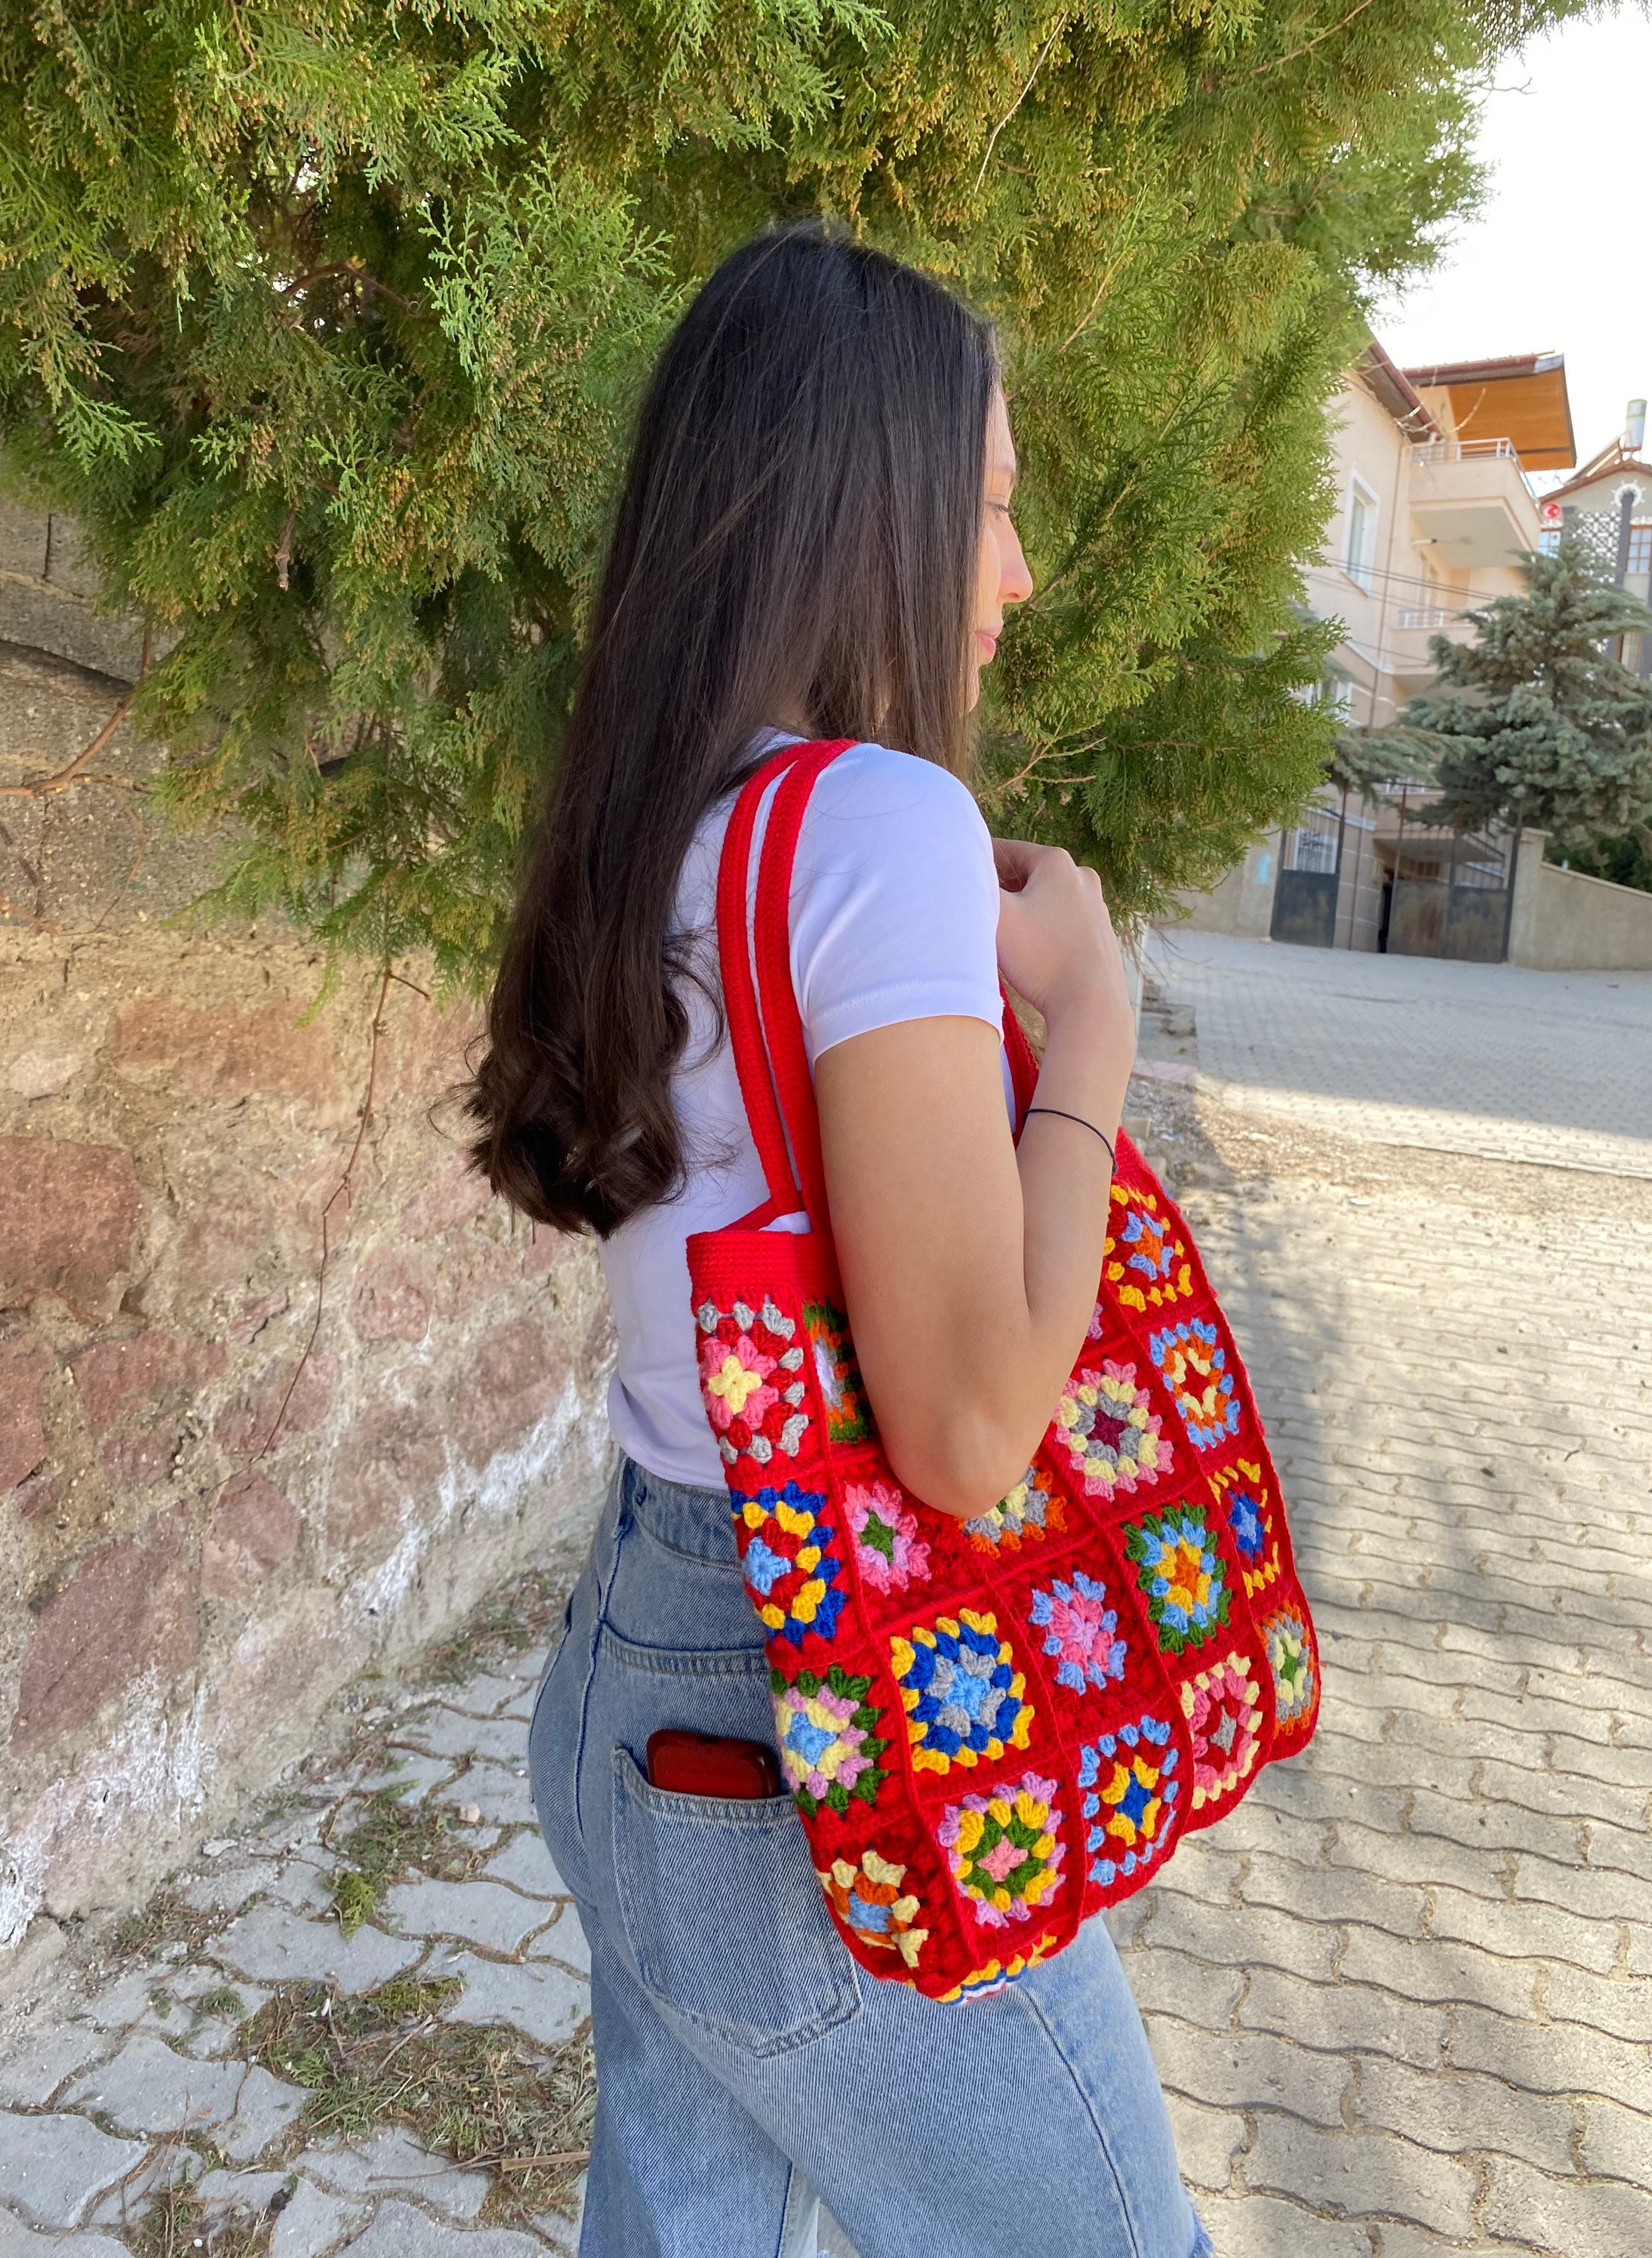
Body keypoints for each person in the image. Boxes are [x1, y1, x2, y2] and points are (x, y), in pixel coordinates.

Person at [469, 220, 1211, 2258]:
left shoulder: (667, 820)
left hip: (643, 1682)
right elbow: (970, 1428)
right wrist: (1098, 1029)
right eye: (985, 507)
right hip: (816, 1741)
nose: (1016, 574)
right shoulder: (883, 825)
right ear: (859, 507)